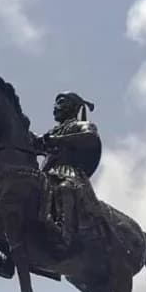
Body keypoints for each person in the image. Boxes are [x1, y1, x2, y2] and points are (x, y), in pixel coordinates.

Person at [32, 92, 103, 251]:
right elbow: (38, 144)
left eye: (61, 102)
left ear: (73, 107)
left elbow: (90, 137)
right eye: (55, 103)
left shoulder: (81, 125)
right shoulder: (53, 131)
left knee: (65, 188)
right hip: (46, 174)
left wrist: (57, 140)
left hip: (68, 173)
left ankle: (65, 235)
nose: (55, 107)